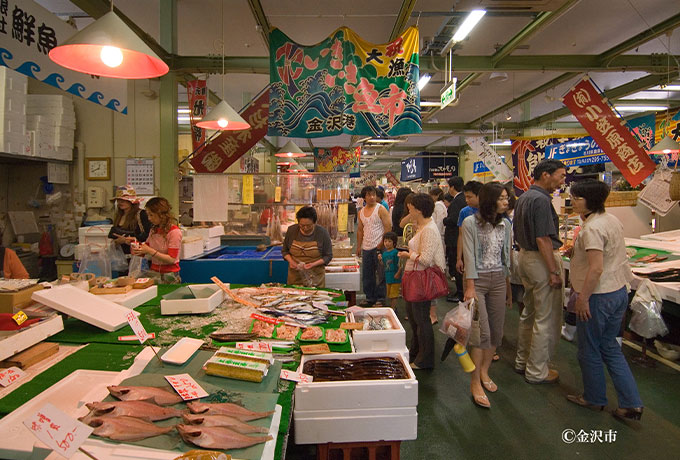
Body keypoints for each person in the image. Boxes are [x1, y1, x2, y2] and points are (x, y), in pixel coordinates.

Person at [566, 179, 643, 420]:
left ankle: (593, 397)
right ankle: (631, 403)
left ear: (591, 201)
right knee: (610, 346)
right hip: (618, 291)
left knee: (588, 348)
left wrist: (583, 299)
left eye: (577, 198)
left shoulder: (592, 228)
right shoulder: (610, 220)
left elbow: (596, 268)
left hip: (598, 296)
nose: (574, 202)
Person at [513, 159, 566, 384]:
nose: (563, 181)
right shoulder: (542, 200)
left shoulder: (524, 197)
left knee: (530, 313)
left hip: (525, 258)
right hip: (540, 260)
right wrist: (553, 271)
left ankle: (522, 361)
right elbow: (543, 238)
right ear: (546, 174)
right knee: (545, 318)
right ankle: (537, 371)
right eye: (561, 176)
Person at [461, 183, 512, 408]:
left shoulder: (505, 224)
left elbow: (506, 256)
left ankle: (484, 372)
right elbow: (469, 255)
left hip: (499, 279)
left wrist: (508, 287)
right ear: (490, 200)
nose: (506, 201)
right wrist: (470, 287)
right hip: (478, 279)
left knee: (497, 331)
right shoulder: (470, 222)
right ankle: (475, 383)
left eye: (506, 198)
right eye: (502, 198)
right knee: (480, 334)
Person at [398, 193, 446, 370]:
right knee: (415, 319)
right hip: (415, 277)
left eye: (411, 206)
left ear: (418, 209)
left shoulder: (429, 230)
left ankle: (424, 359)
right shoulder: (422, 225)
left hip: (421, 279)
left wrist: (407, 254)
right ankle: (416, 352)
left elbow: (425, 259)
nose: (408, 208)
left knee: (421, 319)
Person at [131, 197, 182, 284]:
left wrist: (150, 251)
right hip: (154, 273)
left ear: (161, 214)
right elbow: (146, 248)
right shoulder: (153, 230)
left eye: (151, 215)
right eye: (148, 215)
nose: (149, 218)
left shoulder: (174, 232)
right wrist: (136, 245)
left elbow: (171, 259)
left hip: (170, 275)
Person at [282, 206, 333, 288]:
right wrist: (291, 262)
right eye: (302, 225)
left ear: (314, 223)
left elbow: (328, 256)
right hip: (295, 277)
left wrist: (313, 264)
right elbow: (285, 251)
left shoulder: (322, 233)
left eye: (309, 225)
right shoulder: (291, 231)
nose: (305, 228)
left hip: (315, 277)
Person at [357, 186, 392, 307]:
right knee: (367, 274)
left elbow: (388, 227)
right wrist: (358, 246)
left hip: (380, 246)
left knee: (381, 274)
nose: (372, 197)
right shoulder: (361, 212)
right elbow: (360, 230)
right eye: (369, 195)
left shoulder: (381, 209)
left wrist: (382, 244)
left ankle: (381, 299)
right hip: (366, 247)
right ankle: (370, 297)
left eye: (373, 194)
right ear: (364, 197)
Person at [108, 185, 152, 255]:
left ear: (132, 201)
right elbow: (112, 237)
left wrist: (127, 240)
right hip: (120, 256)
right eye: (119, 200)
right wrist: (117, 241)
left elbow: (148, 235)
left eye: (124, 200)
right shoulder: (119, 215)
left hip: (137, 255)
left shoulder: (141, 214)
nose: (121, 202)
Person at [444, 177, 466, 302]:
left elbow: (453, 219)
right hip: (456, 238)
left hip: (455, 239)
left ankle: (460, 293)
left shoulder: (458, 201)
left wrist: (444, 220)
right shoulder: (460, 199)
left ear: (452, 187)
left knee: (457, 266)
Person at [455, 181, 483, 276]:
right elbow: (461, 235)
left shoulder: (490, 211)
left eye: (469, 197)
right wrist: (459, 258)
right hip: (469, 256)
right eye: (465, 197)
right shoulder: (464, 212)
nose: (466, 200)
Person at [380, 231, 401, 309]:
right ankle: (392, 308)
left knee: (394, 295)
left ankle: (393, 308)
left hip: (395, 278)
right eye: (385, 241)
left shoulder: (396, 252)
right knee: (389, 294)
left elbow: (400, 264)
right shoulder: (384, 254)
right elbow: (384, 265)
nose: (387, 243)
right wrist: (380, 260)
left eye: (389, 241)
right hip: (388, 277)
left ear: (394, 243)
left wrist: (398, 273)